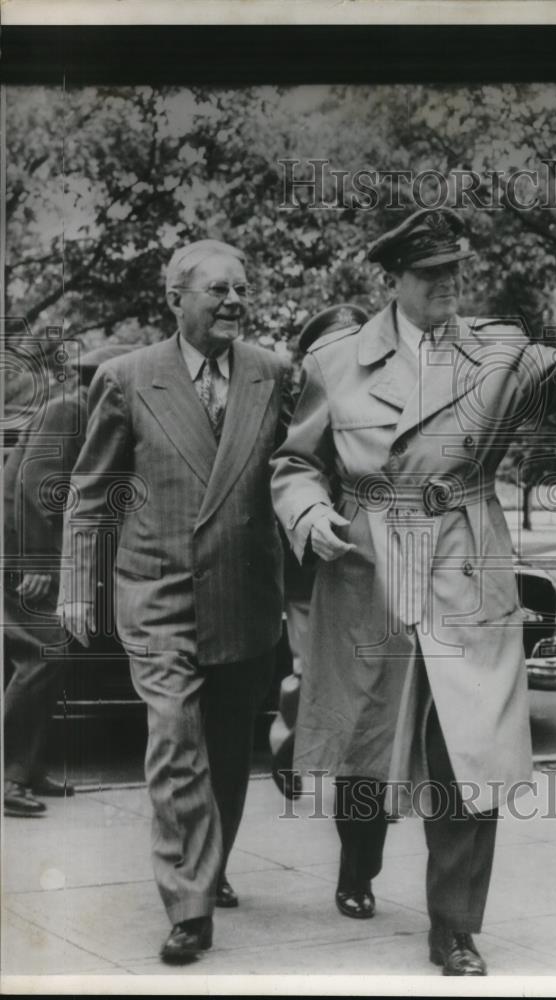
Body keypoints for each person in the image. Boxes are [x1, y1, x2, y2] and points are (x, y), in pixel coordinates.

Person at [271, 207, 556, 976]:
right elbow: (297, 463)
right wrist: (308, 513)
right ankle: (357, 860)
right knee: (368, 750)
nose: (446, 285)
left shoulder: (499, 352)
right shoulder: (335, 362)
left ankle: (455, 928)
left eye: (454, 271)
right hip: (370, 563)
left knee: (467, 752)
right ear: (394, 280)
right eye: (430, 273)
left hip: (466, 559)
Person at [59, 239, 292, 964]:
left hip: (244, 594)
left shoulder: (274, 374)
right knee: (174, 741)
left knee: (225, 748)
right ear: (175, 299)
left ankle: (209, 864)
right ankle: (189, 903)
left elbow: (297, 471)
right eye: (217, 290)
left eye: (240, 290)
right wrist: (75, 582)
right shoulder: (128, 379)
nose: (232, 302)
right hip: (158, 590)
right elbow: (91, 491)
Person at [269, 304, 368, 801]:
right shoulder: (295, 403)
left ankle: (352, 768)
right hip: (307, 564)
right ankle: (291, 744)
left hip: (360, 561)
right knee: (311, 665)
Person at [3, 350, 85, 817]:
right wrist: (36, 563)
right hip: (21, 553)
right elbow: (37, 486)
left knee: (50, 653)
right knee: (43, 652)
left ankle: (27, 768)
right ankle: (11, 776)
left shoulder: (71, 406)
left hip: (22, 549)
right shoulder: (72, 409)